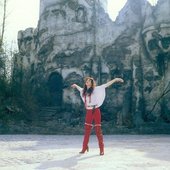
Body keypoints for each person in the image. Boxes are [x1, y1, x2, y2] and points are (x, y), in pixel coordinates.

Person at [71, 77, 124, 156]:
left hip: (95, 110)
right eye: (87, 81)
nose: (87, 82)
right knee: (87, 131)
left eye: (89, 81)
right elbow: (79, 88)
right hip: (88, 111)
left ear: (92, 83)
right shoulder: (83, 91)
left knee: (98, 130)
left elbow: (106, 85)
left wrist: (115, 79)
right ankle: (84, 147)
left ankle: (101, 149)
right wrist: (75, 85)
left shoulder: (96, 89)